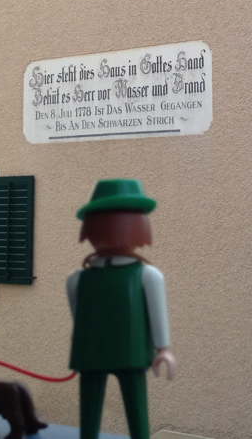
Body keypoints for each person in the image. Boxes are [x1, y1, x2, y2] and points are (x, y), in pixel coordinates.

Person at [68, 178, 176, 439]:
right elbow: (79, 317)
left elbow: (156, 312)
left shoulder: (146, 275)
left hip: (122, 352)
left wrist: (163, 348)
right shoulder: (77, 279)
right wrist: (162, 348)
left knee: (136, 409)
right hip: (100, 352)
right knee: (90, 412)